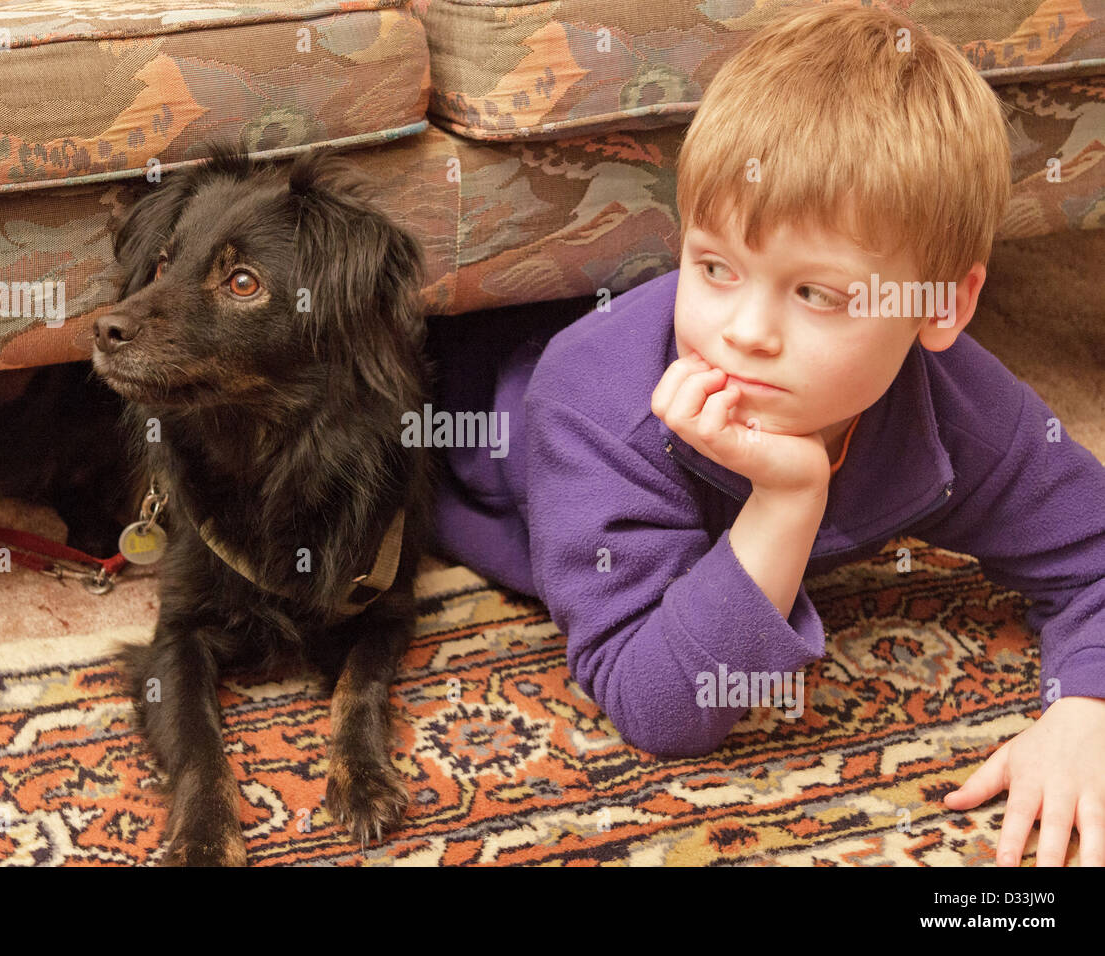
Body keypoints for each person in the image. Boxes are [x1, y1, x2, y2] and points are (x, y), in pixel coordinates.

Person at [430, 4, 1105, 867]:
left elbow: (1093, 542)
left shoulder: (958, 403)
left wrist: (1086, 704)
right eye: (713, 268)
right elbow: (658, 703)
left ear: (945, 307)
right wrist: (786, 501)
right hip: (475, 411)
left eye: (816, 294)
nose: (743, 332)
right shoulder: (591, 409)